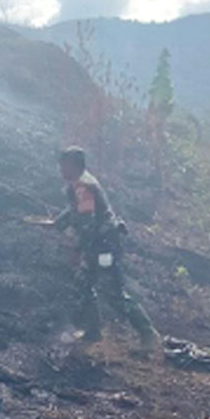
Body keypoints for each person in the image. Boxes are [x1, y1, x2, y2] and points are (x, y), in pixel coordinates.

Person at [45, 146, 158, 346]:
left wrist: (77, 249)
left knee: (114, 292)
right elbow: (74, 209)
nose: (61, 169)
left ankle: (148, 334)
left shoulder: (84, 186)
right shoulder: (78, 183)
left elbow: (87, 222)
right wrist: (58, 222)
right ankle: (92, 331)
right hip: (97, 243)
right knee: (84, 283)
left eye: (64, 165)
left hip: (104, 245)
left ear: (74, 165)